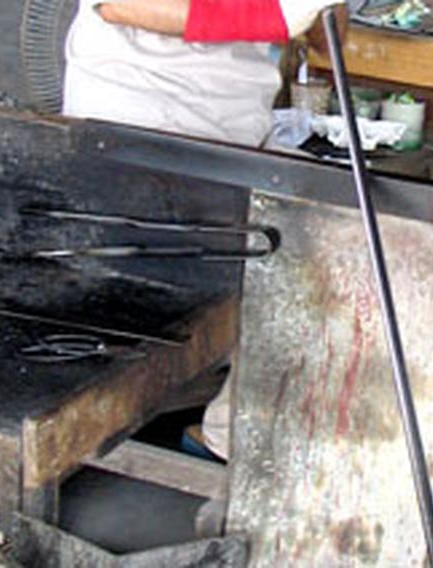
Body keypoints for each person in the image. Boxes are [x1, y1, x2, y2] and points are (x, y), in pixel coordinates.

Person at [63, 0, 346, 460]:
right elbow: (121, 5)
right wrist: (271, 17)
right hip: (139, 137)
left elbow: (329, 47)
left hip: (234, 138)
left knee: (346, 227)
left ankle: (231, 428)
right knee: (296, 256)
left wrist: (321, 11)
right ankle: (237, 435)